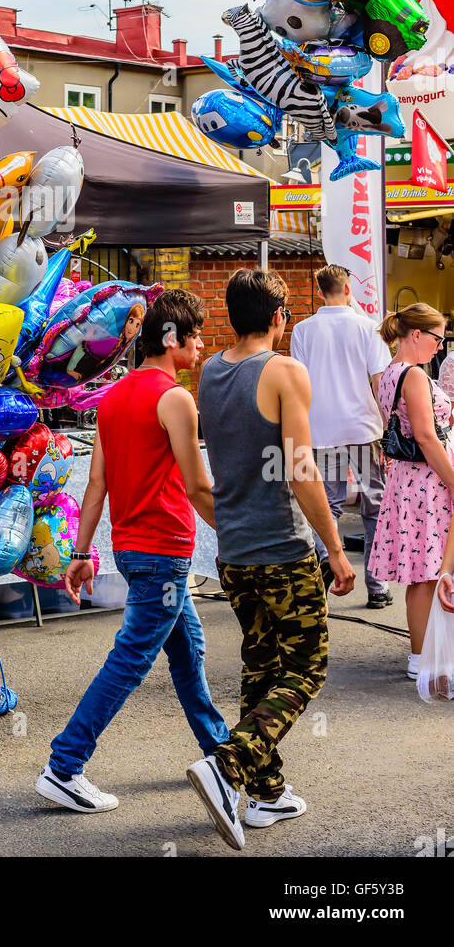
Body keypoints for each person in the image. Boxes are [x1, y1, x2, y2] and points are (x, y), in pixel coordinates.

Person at [35, 288, 230, 813]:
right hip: (164, 550)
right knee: (130, 660)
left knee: (188, 653)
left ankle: (224, 756)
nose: (201, 348)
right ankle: (64, 765)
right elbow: (197, 487)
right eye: (195, 339)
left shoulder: (112, 398)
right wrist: (235, 536)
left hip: (133, 548)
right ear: (172, 339)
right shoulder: (175, 399)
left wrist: (79, 553)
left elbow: (94, 483)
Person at [189, 269, 355, 852]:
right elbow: (302, 470)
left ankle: (265, 793)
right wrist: (335, 549)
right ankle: (227, 765)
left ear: (229, 315)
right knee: (307, 667)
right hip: (282, 550)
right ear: (280, 318)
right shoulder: (284, 371)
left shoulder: (209, 371)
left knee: (261, 668)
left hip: (233, 552)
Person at [289, 263, 393, 609]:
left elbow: (298, 384)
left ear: (320, 291)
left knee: (327, 504)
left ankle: (326, 563)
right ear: (348, 289)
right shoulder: (368, 328)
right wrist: (389, 422)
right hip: (363, 427)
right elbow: (380, 381)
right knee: (374, 505)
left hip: (320, 427)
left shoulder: (303, 330)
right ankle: (377, 585)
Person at [369, 303, 454, 679]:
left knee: (422, 569)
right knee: (429, 571)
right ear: (416, 334)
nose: (440, 346)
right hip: (427, 481)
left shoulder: (389, 373)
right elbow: (425, 437)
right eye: (438, 338)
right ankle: (422, 658)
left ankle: (421, 653)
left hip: (408, 479)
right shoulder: (415, 376)